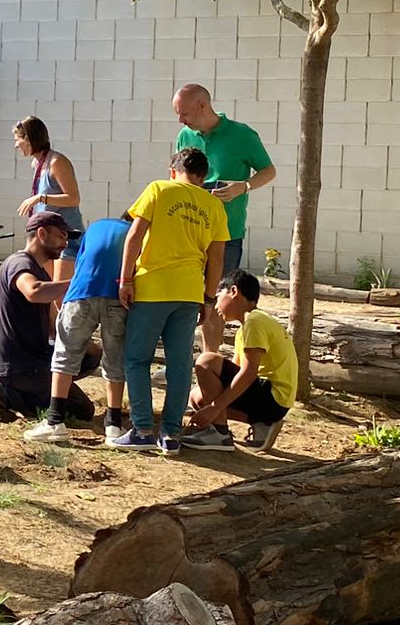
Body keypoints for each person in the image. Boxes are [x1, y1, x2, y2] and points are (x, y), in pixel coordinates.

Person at [118, 148, 227, 452]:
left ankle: (141, 429)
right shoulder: (215, 206)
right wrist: (208, 298)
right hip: (190, 292)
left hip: (153, 287)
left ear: (173, 170)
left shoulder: (158, 189)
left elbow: (134, 236)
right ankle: (171, 433)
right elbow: (216, 259)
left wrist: (125, 279)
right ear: (204, 177)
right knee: (180, 365)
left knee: (138, 359)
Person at [173, 84, 275, 349]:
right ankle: (182, 358)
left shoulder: (242, 135)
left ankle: (210, 362)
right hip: (189, 232)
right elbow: (174, 175)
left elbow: (268, 170)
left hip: (227, 232)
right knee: (184, 298)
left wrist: (245, 186)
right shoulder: (185, 136)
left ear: (202, 106)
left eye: (183, 113)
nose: (180, 120)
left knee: (216, 299)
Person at [24, 213, 131, 445]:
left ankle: (54, 421)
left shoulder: (95, 228)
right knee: (114, 359)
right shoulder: (136, 233)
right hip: (116, 297)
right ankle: (113, 424)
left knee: (65, 356)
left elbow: (81, 264)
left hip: (81, 293)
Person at [0, 211, 85, 422]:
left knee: (90, 355)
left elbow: (52, 324)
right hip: (17, 364)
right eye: (61, 236)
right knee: (82, 410)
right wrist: (79, 284)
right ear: (42, 233)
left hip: (33, 358)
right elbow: (34, 291)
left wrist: (76, 341)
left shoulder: (39, 271)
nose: (65, 243)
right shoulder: (19, 264)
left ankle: (31, 391)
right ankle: (5, 395)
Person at [185, 270, 298, 450]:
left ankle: (219, 433)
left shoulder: (255, 321)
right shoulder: (246, 327)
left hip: (273, 396)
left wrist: (214, 407)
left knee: (206, 361)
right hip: (272, 402)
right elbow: (236, 376)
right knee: (197, 396)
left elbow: (248, 373)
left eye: (218, 296)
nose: (216, 306)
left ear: (234, 291)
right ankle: (262, 424)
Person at [13, 116, 83, 284]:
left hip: (66, 238)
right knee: (47, 290)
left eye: (18, 140)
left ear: (29, 139)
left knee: (59, 293)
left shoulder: (57, 162)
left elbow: (74, 198)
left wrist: (40, 198)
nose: (16, 145)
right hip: (45, 238)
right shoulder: (36, 164)